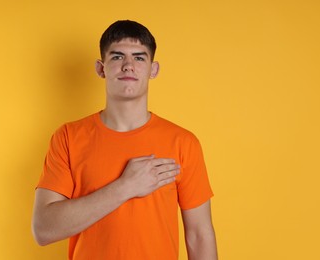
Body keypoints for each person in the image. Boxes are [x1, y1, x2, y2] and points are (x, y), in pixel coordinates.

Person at [32, 20, 218, 260]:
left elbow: (199, 235)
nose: (128, 66)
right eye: (118, 57)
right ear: (101, 68)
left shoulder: (182, 142)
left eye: (139, 58)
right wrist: (125, 187)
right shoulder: (68, 137)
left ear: (153, 69)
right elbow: (44, 229)